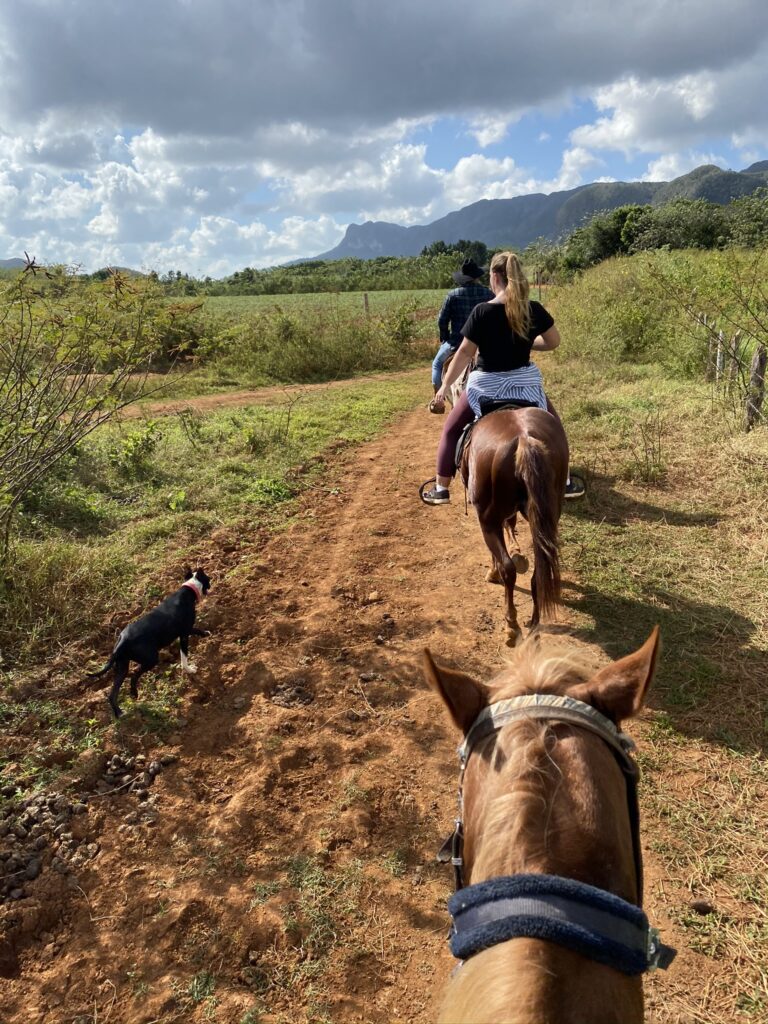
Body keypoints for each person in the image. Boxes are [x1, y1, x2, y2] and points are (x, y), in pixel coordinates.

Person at [421, 250, 585, 504]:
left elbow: (465, 354)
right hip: (525, 384)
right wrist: (528, 342)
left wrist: (443, 387)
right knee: (554, 425)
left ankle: (441, 488)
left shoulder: (482, 312)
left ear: (495, 277)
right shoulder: (533, 309)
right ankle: (565, 483)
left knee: (451, 430)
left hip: (486, 385)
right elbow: (553, 341)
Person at [431, 259, 493, 396]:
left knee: (437, 364)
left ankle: (437, 399)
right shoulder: (489, 294)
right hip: (485, 344)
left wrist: (445, 337)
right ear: (477, 277)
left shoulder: (453, 295)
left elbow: (442, 320)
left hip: (457, 343)